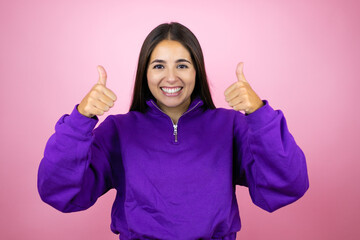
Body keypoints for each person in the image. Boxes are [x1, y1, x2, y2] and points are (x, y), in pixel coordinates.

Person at [38, 22, 309, 240]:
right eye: (158, 66)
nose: (170, 77)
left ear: (196, 71)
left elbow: (287, 185)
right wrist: (80, 119)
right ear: (145, 72)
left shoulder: (231, 126)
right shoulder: (119, 130)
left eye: (182, 65)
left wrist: (259, 115)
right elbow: (59, 192)